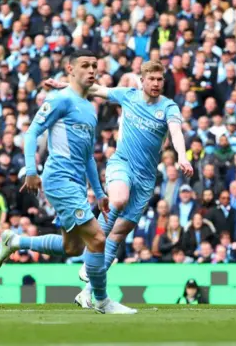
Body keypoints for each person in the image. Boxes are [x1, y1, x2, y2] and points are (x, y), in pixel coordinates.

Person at [0, 50, 135, 314]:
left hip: (78, 183)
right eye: (85, 65)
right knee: (98, 238)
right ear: (70, 69)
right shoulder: (60, 99)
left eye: (94, 65)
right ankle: (101, 300)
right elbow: (32, 131)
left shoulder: (90, 111)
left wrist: (100, 192)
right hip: (59, 179)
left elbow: (89, 157)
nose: (92, 70)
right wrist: (31, 170)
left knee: (73, 247)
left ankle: (16, 242)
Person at [45, 60, 194, 307]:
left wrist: (181, 155)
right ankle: (88, 259)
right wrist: (64, 85)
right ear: (143, 81)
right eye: (152, 79)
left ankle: (88, 290)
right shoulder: (128, 95)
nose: (156, 84)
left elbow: (176, 132)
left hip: (146, 179)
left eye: (160, 80)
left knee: (119, 233)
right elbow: (97, 91)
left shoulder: (168, 107)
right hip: (122, 163)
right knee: (118, 199)